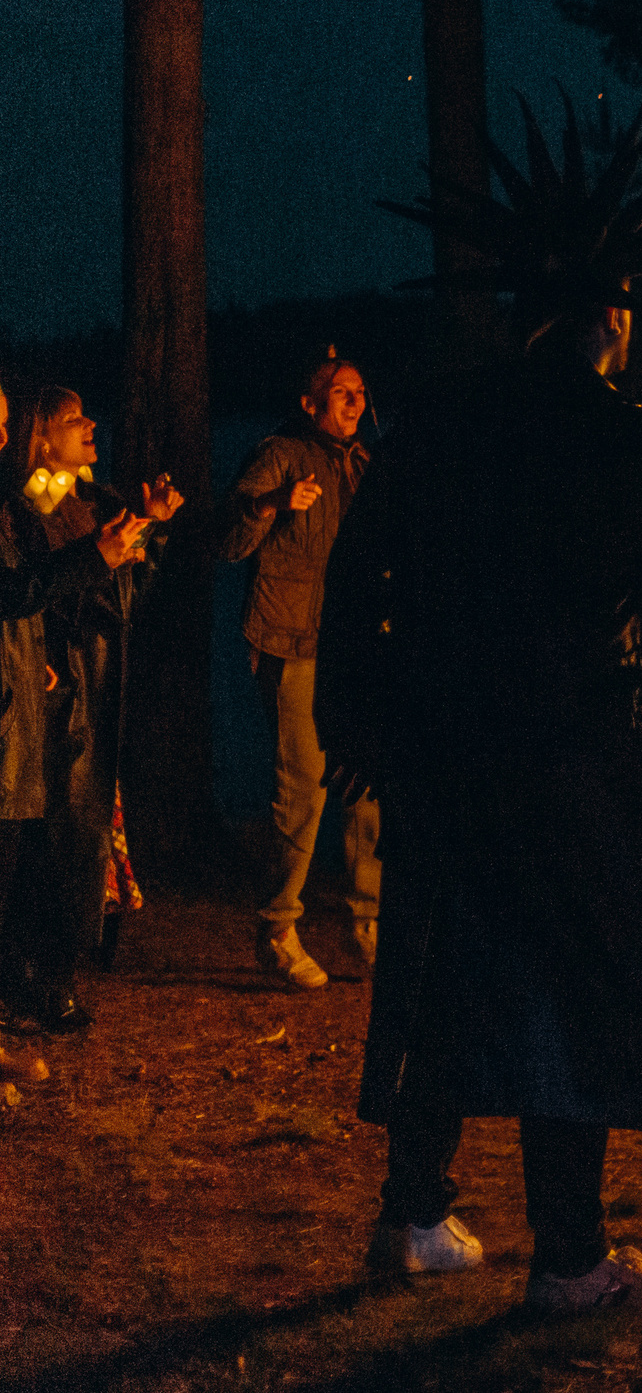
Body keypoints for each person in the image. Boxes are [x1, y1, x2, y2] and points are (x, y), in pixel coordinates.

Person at [329, 97, 642, 1310]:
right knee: (567, 989)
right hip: (581, 759)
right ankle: (572, 1260)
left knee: (446, 972)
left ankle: (412, 1216)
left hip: (442, 750)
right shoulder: (637, 441)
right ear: (612, 318)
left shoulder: (435, 422)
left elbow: (360, 573)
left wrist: (359, 722)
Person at [3, 387, 181, 1034]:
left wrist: (150, 530)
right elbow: (29, 595)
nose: (92, 424)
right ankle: (37, 978)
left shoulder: (99, 504)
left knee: (82, 840)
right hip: (50, 692)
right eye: (75, 419)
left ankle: (55, 976)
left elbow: (125, 599)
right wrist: (45, 654)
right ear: (42, 438)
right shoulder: (23, 512)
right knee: (48, 841)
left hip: (96, 685)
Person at [220, 352, 382, 989]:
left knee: (368, 779)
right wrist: (274, 504)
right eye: (341, 392)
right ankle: (278, 928)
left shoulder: (365, 464)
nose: (355, 401)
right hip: (289, 640)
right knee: (304, 786)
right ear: (310, 403)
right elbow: (228, 541)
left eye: (361, 391)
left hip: (354, 644)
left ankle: (367, 923)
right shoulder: (280, 453)